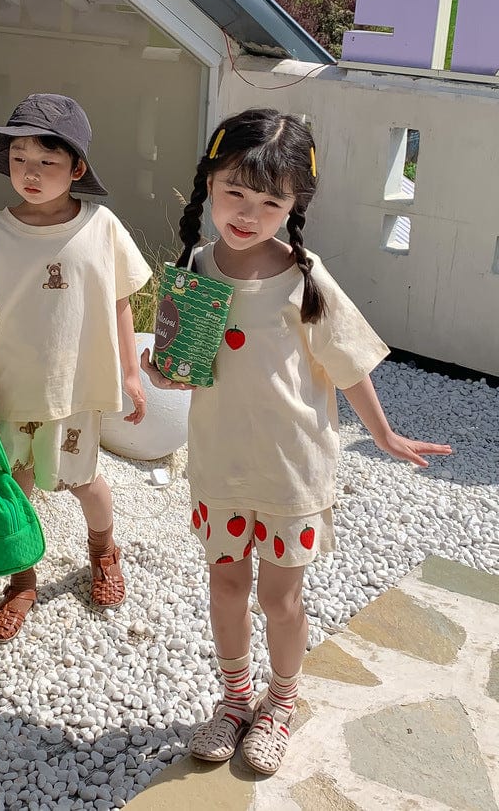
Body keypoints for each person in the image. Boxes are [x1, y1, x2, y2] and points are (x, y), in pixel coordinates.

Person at [141, 107, 451, 775]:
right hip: (221, 464)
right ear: (210, 183)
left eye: (270, 202)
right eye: (235, 192)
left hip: (291, 472)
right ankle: (235, 700)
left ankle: (280, 703)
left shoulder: (304, 276)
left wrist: (385, 433)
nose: (248, 213)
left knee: (279, 597)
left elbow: (350, 364)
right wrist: (160, 370)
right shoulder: (196, 264)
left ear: (293, 206)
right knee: (226, 585)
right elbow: (184, 366)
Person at [0, 93, 151, 643]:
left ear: (76, 168)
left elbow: (120, 300)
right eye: (19, 160)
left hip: (76, 390)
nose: (30, 174)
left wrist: (131, 373)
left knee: (84, 481)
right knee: (16, 490)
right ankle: (21, 580)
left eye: (46, 161)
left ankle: (103, 549)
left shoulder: (102, 226)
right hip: (13, 391)